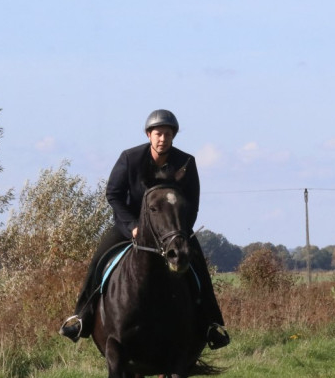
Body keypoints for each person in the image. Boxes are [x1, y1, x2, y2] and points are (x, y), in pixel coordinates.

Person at [61, 109, 230, 349]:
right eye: (159, 134)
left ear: (173, 137)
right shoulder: (130, 158)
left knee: (198, 266)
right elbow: (113, 194)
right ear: (149, 134)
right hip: (131, 227)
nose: (163, 139)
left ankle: (211, 323)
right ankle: (81, 316)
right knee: (99, 261)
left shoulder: (186, 162)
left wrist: (179, 231)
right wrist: (132, 226)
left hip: (171, 231)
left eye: (168, 134)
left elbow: (192, 203)